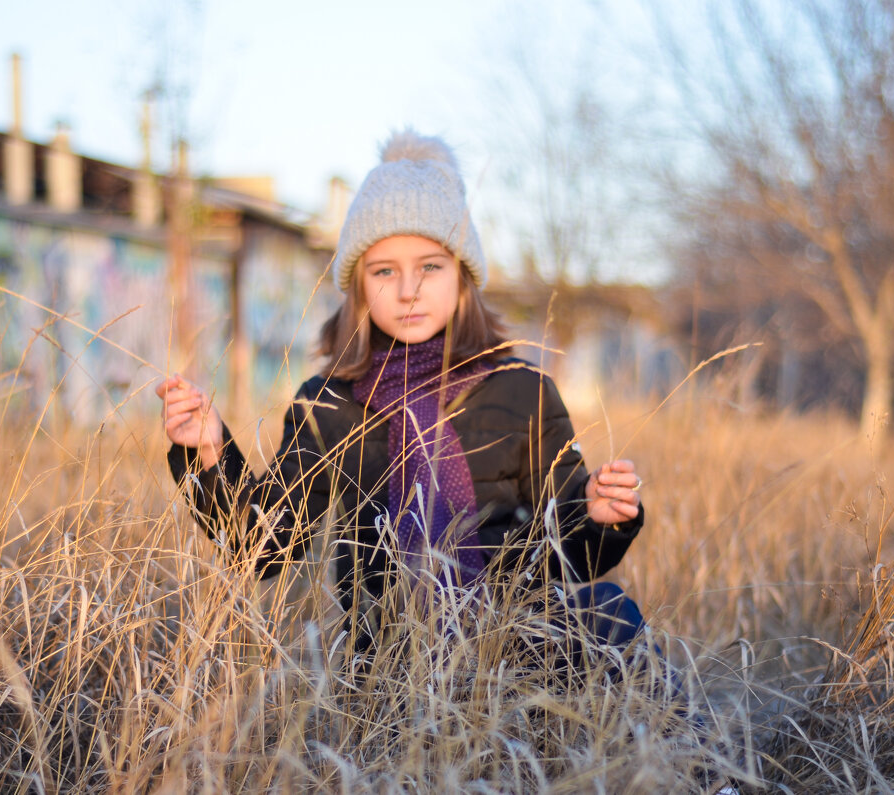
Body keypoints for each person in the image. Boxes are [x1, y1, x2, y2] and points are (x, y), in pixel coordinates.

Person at [156, 129, 646, 661]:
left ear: (462, 277)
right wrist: (208, 450)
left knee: (608, 614)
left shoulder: (522, 391)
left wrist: (600, 516)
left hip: (513, 656)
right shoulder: (326, 405)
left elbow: (568, 555)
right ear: (359, 285)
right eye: (384, 271)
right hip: (389, 670)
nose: (408, 289)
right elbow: (261, 548)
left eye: (430, 267)